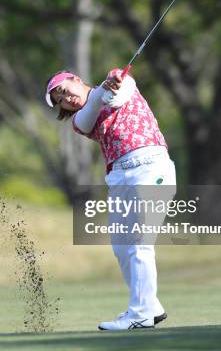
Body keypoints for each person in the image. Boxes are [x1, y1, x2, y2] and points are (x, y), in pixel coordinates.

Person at [44, 69, 176, 330]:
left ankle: (140, 313)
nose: (65, 98)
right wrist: (104, 90)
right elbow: (91, 112)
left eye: (64, 90)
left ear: (77, 80)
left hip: (150, 167)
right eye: (59, 100)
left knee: (138, 244)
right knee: (122, 247)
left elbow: (118, 95)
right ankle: (152, 306)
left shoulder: (123, 82)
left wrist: (112, 82)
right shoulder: (81, 120)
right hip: (119, 177)